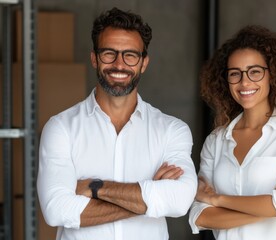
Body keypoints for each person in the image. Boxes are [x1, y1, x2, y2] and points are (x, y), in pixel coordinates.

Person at [37, 7, 197, 240]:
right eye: (109, 53)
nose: (119, 64)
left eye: (130, 55)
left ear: (144, 63)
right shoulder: (61, 128)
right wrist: (149, 198)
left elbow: (179, 200)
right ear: (94, 58)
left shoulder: (172, 130)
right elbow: (57, 211)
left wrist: (95, 188)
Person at [188, 25, 276, 240]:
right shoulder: (216, 140)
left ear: (273, 75)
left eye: (255, 72)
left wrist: (218, 200)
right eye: (235, 74)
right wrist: (271, 207)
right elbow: (200, 216)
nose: (245, 82)